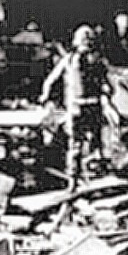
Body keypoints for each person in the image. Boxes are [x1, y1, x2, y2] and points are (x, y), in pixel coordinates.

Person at [39, 25, 112, 189]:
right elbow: (51, 80)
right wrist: (45, 94)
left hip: (89, 105)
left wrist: (106, 90)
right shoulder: (72, 60)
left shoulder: (92, 61)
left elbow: (104, 81)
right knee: (78, 144)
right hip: (79, 106)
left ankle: (91, 174)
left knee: (91, 142)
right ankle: (75, 178)